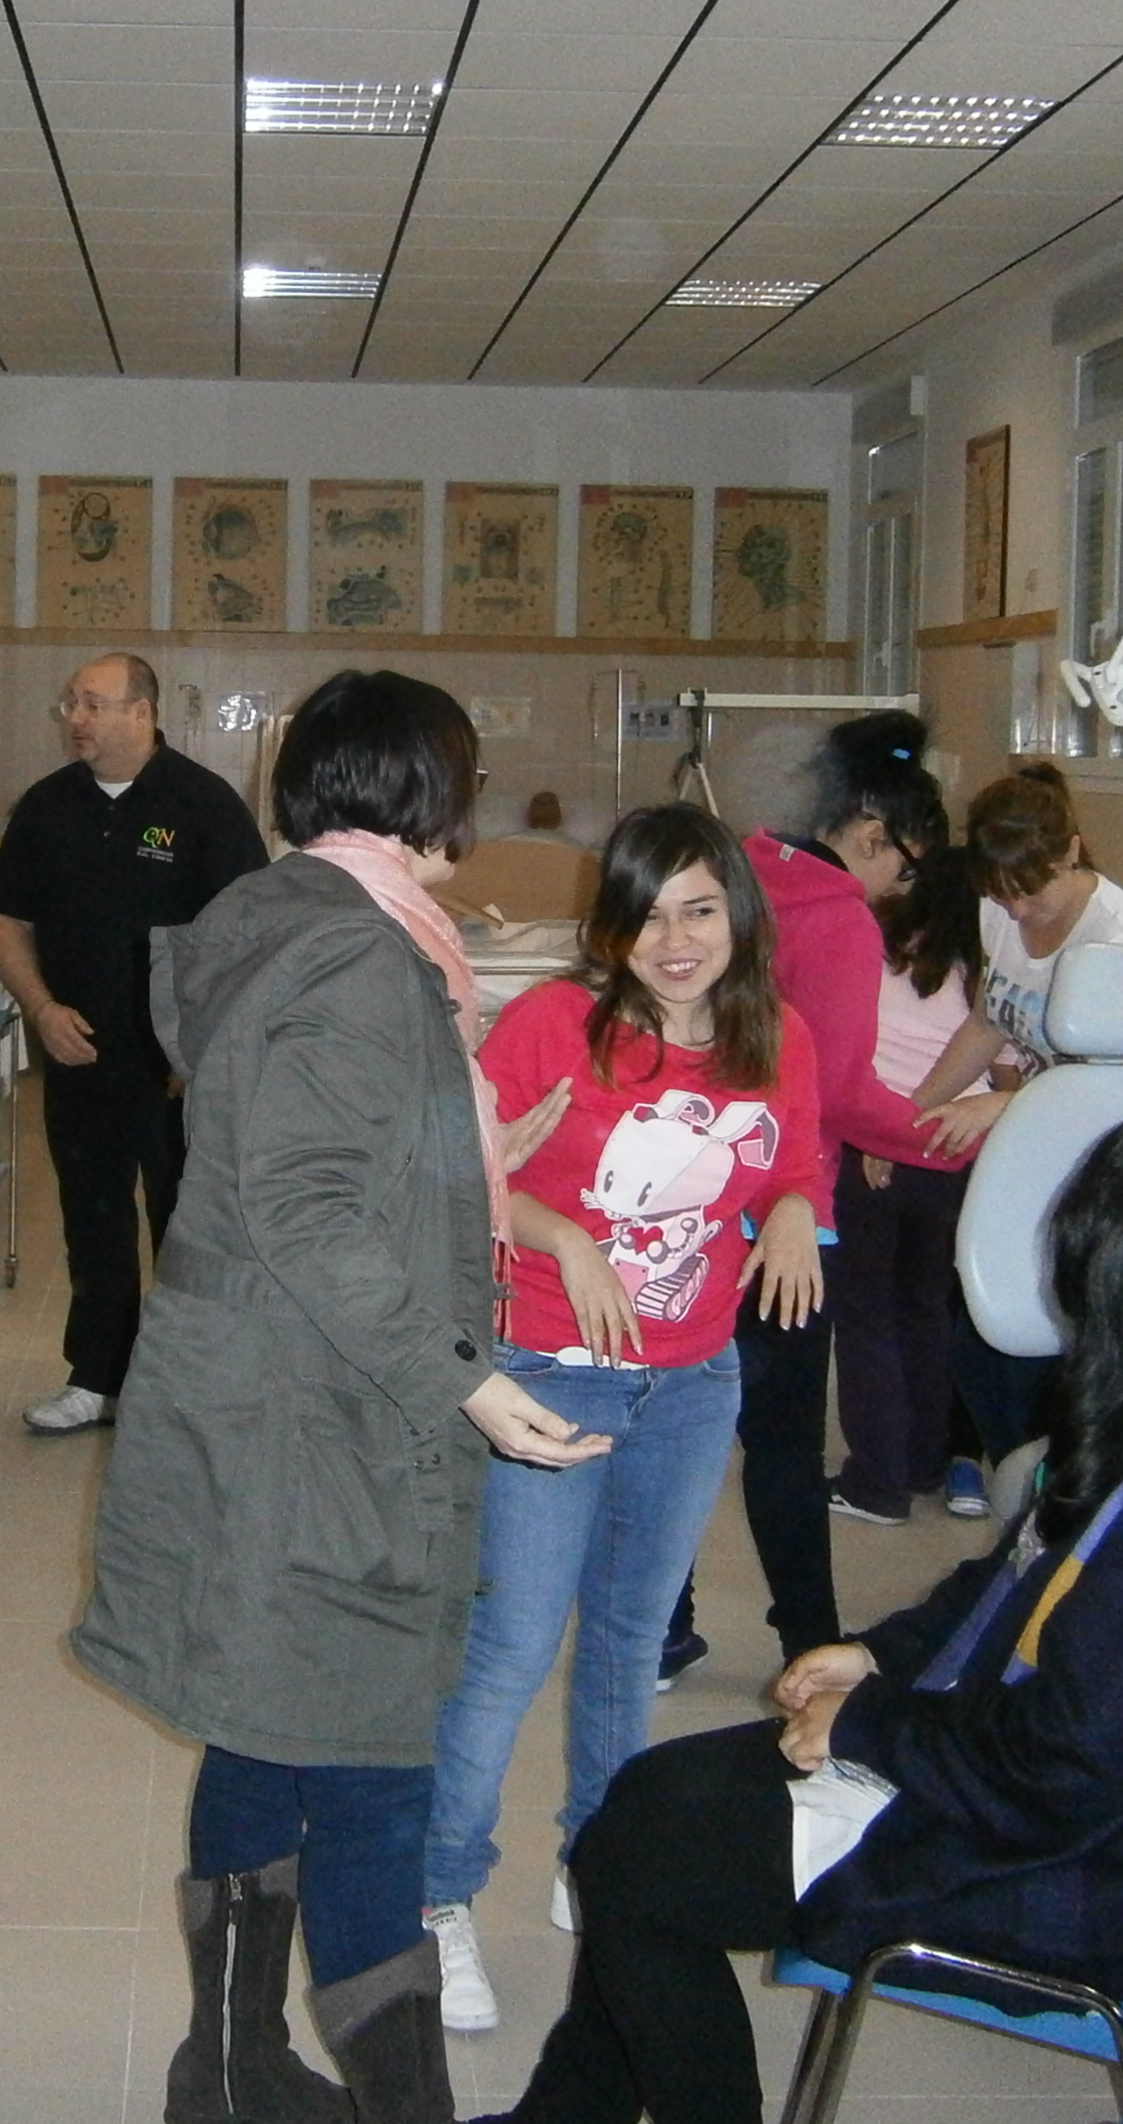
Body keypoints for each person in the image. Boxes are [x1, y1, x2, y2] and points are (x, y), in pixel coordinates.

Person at [485, 1112, 1123, 2124]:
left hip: (1072, 1874)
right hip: (1011, 1781)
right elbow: (1010, 1590)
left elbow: (1069, 1773)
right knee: (639, 1804)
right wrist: (876, 1658)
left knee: (641, 1866)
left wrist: (869, 1727)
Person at [73, 669, 604, 2124]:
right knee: (374, 1774)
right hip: (325, 1422)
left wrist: (472, 1147)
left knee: (262, 1733)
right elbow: (304, 1204)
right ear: (429, 789)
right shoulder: (363, 953)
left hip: (263, 1400)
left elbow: (306, 1148)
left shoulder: (283, 913)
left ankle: (229, 2073)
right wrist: (470, 1385)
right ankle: (392, 2105)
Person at [423, 804, 827, 2036]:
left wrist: (795, 1210)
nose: (676, 939)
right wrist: (566, 1239)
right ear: (611, 929)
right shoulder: (555, 1024)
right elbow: (469, 1171)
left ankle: (597, 1862)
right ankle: (438, 1895)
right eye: (648, 916)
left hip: (692, 1383)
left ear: (738, 917)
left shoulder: (775, 1035)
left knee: (629, 1643)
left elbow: (793, 1162)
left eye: (700, 909)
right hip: (550, 1368)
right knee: (513, 1645)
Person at [719, 713, 973, 1659]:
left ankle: (664, 1632)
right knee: (784, 1444)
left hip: (694, 1196)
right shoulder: (836, 921)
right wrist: (955, 1141)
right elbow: (836, 1092)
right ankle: (810, 1642)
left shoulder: (744, 872)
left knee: (685, 1431)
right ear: (872, 835)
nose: (900, 887)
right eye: (903, 868)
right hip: (786, 1212)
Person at [0, 650, 267, 1433]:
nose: (76, 718)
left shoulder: (203, 805)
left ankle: (190, 1387)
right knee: (93, 1222)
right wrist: (41, 1007)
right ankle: (97, 1377)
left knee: (187, 1226)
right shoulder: (48, 806)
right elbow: (6, 920)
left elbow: (246, 937)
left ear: (142, 712)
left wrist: (199, 1048)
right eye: (70, 703)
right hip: (78, 1056)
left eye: (93, 704)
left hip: (175, 1070)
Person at [910, 760, 1123, 1460]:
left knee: (1065, 1331)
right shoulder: (999, 909)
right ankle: (1013, 1470)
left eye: (1032, 892)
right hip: (1034, 1141)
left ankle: (1065, 1477)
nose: (1018, 911)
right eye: (1002, 894)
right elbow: (986, 1023)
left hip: (1109, 1155)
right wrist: (911, 1114)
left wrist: (1000, 1104)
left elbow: (1102, 1089)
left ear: (1072, 852)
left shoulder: (1120, 942)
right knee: (985, 1322)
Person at [830, 809, 994, 1526]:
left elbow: (852, 1052)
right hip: (957, 1154)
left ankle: (877, 1481)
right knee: (926, 1309)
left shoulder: (876, 953)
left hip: (879, 1150)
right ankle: (927, 1461)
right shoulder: (983, 975)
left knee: (867, 1317)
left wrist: (876, 1137)